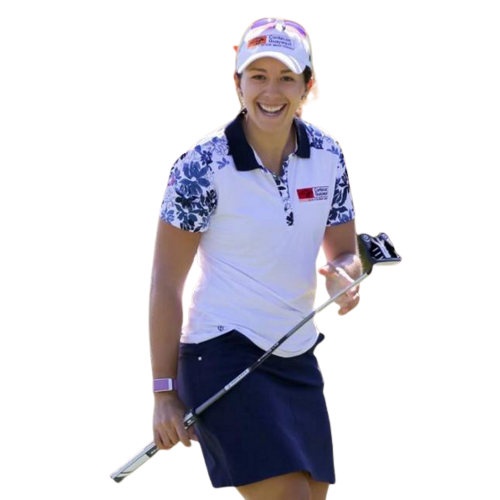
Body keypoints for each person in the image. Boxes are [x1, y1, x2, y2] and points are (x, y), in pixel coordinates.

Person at [149, 16, 361, 499]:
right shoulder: (202, 165)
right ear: (237, 82)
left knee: (312, 495)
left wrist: (345, 276)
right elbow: (165, 284)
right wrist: (164, 392)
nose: (271, 91)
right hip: (221, 354)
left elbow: (346, 252)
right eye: (258, 76)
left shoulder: (328, 152)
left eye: (286, 77)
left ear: (309, 86)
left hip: (297, 354)